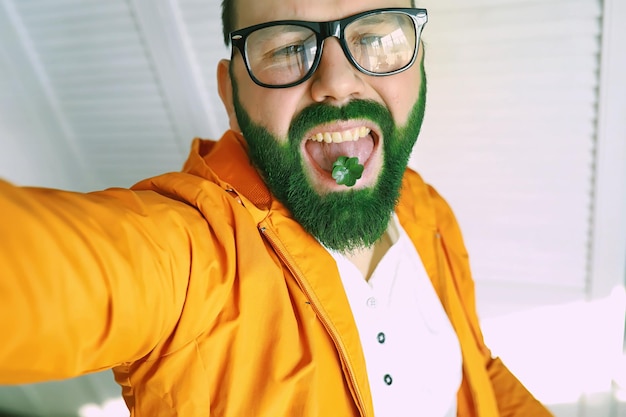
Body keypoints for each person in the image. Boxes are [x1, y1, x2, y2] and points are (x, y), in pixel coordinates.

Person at [0, 0, 555, 416]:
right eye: (289, 47)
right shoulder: (192, 258)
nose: (337, 84)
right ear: (231, 97)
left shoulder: (428, 211)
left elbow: (475, 370)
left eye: (374, 35)